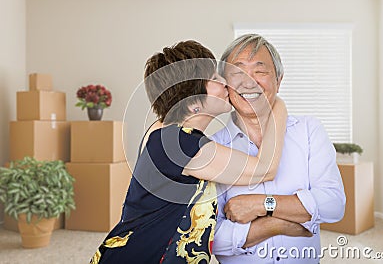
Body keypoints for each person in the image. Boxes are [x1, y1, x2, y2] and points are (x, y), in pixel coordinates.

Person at [90, 40, 287, 264]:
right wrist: (277, 105)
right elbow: (264, 168)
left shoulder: (161, 130)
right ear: (193, 98)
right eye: (214, 79)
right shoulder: (180, 144)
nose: (225, 83)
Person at [212, 34, 346, 263]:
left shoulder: (308, 131)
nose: (248, 81)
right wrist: (275, 224)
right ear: (225, 84)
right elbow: (213, 238)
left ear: (279, 80)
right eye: (237, 72)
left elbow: (333, 204)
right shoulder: (213, 149)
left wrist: (262, 204)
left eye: (260, 71)